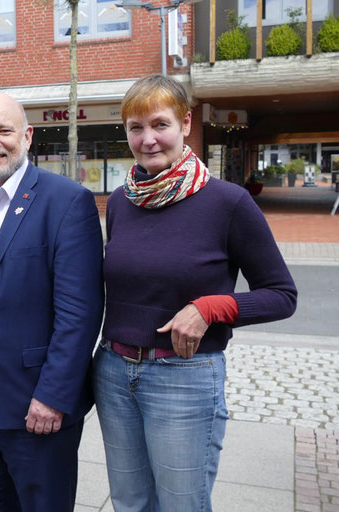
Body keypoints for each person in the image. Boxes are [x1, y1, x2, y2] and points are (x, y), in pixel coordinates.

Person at [94, 74, 297, 511]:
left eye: (160, 124)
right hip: (113, 373)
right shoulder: (122, 201)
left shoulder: (228, 202)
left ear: (186, 123)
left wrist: (210, 307)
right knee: (129, 503)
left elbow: (282, 294)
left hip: (183, 378)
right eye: (135, 128)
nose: (148, 139)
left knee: (181, 505)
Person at [0, 92, 104, 511]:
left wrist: (53, 396)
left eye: (4, 130)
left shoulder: (67, 201)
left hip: (37, 402)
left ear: (27, 136)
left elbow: (79, 313)